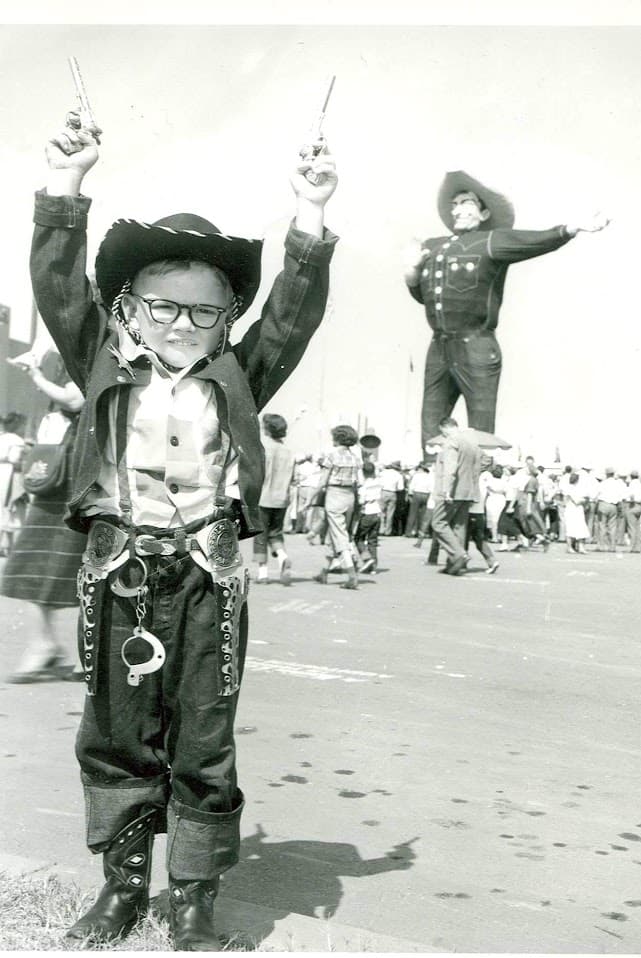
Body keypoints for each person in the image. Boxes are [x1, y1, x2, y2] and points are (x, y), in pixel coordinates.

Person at [30, 110, 338, 950]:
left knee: (204, 736)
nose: (179, 325)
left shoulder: (242, 373)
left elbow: (295, 313)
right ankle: (123, 889)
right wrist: (66, 184)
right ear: (127, 306)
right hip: (119, 572)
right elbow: (57, 282)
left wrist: (309, 214)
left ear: (228, 318)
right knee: (116, 733)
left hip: (210, 574)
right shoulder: (102, 357)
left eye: (204, 313)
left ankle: (194, 901)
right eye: (161, 306)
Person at [403, 170, 610, 448]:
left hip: (476, 343)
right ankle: (431, 481)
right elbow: (424, 297)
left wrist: (572, 228)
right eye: (454, 204)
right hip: (439, 347)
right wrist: (412, 271)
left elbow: (535, 241)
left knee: (481, 430)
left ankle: (477, 482)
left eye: (466, 202)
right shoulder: (434, 246)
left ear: (484, 214)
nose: (457, 210)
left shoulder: (492, 241)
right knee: (431, 425)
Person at [1, 350, 87, 682]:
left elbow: (75, 399)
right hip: (57, 475)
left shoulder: (94, 346)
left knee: (72, 567)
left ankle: (70, 650)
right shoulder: (69, 349)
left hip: (73, 474)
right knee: (34, 562)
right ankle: (45, 645)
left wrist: (36, 375)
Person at [430, 417, 481, 575]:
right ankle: (455, 564)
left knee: (438, 523)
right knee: (459, 527)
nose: (443, 435)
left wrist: (446, 490)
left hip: (451, 491)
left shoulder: (451, 442)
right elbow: (476, 469)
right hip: (466, 492)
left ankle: (458, 555)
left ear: (445, 428)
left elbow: (450, 468)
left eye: (442, 432)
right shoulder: (472, 444)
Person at [313, 426, 362, 590]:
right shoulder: (355, 458)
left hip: (334, 495)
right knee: (336, 533)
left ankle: (351, 575)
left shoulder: (332, 456)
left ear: (338, 438)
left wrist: (310, 501)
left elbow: (322, 482)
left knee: (339, 535)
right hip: (350, 497)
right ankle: (324, 572)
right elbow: (359, 482)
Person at [253, 414, 296, 585]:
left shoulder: (264, 448)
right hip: (282, 498)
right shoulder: (289, 452)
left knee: (260, 535)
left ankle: (263, 573)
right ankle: (283, 557)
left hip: (264, 497)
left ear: (267, 429)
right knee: (275, 533)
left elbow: (257, 474)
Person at [0, 412, 27, 557]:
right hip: (11, 475)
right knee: (11, 507)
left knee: (2, 508)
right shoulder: (17, 440)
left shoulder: (2, 437)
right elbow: (15, 458)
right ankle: (9, 546)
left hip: (1, 471)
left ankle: (4, 545)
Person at [354, 460, 382, 573]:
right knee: (373, 540)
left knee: (358, 538)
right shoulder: (378, 483)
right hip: (377, 512)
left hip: (367, 512)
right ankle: (373, 566)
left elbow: (361, 501)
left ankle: (367, 558)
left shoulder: (363, 486)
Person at [562, 471, 589, 553]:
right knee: (572, 528)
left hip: (574, 509)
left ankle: (579, 547)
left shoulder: (572, 488)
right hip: (573, 509)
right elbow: (577, 501)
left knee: (579, 527)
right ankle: (571, 547)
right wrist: (584, 500)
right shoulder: (570, 488)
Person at [404, 463, 432, 538]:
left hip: (417, 494)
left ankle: (410, 531)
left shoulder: (416, 476)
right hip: (426, 494)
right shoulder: (430, 476)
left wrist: (410, 494)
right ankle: (423, 532)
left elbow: (411, 487)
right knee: (424, 514)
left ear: (420, 469)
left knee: (413, 513)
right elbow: (431, 488)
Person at [379, 460, 404, 536]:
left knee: (381, 512)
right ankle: (388, 531)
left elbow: (379, 483)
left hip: (383, 492)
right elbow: (401, 488)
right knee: (390, 513)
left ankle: (381, 529)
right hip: (393, 493)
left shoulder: (383, 473)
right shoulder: (398, 475)